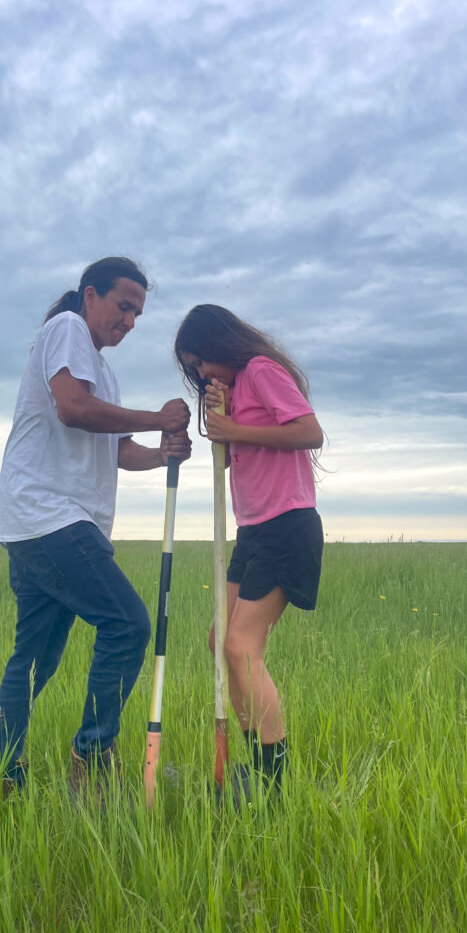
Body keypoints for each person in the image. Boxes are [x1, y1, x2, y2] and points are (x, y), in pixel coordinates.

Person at [0, 257, 191, 801]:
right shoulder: (68, 329)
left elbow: (115, 449)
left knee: (34, 660)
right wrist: (158, 417)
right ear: (91, 295)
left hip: (39, 522)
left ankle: (1, 778)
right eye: (123, 306)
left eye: (138, 314)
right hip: (53, 517)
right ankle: (92, 764)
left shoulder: (103, 370)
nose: (129, 321)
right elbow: (74, 410)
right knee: (127, 625)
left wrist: (163, 452)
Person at [174, 304, 324, 793]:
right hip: (254, 529)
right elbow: (225, 462)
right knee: (220, 640)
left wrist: (236, 427)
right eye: (194, 368)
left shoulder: (262, 371)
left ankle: (274, 779)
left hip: (287, 524)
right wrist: (221, 414)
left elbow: (309, 431)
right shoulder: (236, 389)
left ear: (221, 345)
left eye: (202, 361)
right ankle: (252, 763)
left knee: (242, 646)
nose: (201, 372)